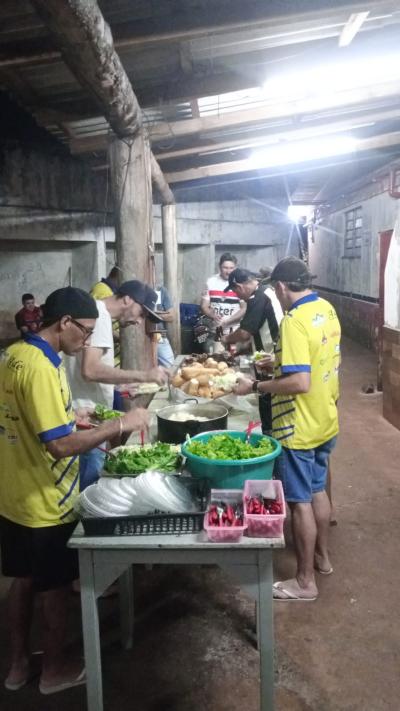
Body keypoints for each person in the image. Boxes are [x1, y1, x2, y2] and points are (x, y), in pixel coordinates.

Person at [0, 287, 150, 695]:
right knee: (54, 589)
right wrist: (120, 423)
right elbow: (60, 445)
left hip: (12, 493)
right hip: (47, 498)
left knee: (22, 579)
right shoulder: (44, 369)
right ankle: (53, 671)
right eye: (83, 332)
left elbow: (30, 420)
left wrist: (73, 415)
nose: (86, 341)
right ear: (63, 323)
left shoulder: (14, 355)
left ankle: (16, 667)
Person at [233, 257, 341, 601]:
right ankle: (323, 559)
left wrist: (255, 386)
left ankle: (305, 582)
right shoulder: (326, 309)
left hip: (298, 425)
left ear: (281, 287)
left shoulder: (294, 321)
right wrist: (276, 361)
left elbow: (298, 381)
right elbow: (319, 358)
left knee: (299, 502)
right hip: (325, 417)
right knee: (318, 490)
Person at [64, 280, 169, 490]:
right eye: (141, 313)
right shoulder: (100, 316)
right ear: (128, 299)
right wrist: (144, 375)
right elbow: (90, 370)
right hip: (86, 417)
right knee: (90, 484)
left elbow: (85, 370)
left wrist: (116, 387)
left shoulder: (93, 311)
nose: (139, 321)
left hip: (81, 409)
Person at [221, 268, 282, 432]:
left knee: (267, 398)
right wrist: (241, 351)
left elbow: (245, 332)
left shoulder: (257, 297)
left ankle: (270, 438)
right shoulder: (266, 291)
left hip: (271, 358)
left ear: (240, 287)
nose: (237, 296)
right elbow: (259, 330)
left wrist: (226, 339)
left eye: (235, 291)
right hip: (271, 354)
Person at [200, 252, 246, 352]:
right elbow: (204, 306)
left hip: (235, 332)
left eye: (231, 268)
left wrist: (227, 322)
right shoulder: (211, 281)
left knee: (235, 362)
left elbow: (244, 308)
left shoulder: (240, 283)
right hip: (215, 331)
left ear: (236, 268)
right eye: (225, 267)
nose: (228, 271)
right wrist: (211, 314)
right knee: (215, 361)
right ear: (219, 267)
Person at [154, 286, 175, 368]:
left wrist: (151, 314)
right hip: (140, 337)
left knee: (170, 367)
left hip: (159, 336)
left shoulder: (160, 290)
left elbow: (171, 316)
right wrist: (160, 314)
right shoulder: (137, 289)